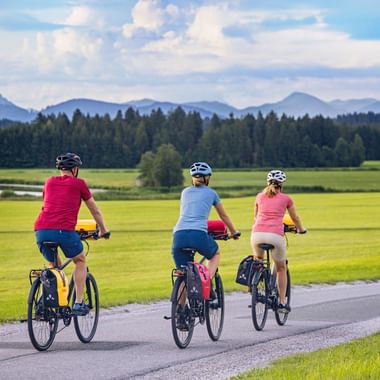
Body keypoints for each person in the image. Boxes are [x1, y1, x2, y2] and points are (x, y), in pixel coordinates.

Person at [34, 152, 108, 315]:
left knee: (55, 267)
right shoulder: (79, 184)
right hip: (64, 231)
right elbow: (94, 210)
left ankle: (43, 304)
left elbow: (50, 206)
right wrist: (103, 230)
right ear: (74, 169)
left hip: (41, 230)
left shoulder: (48, 182)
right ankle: (78, 303)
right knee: (80, 260)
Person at [172, 162, 240, 279]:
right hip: (198, 234)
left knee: (182, 276)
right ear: (207, 178)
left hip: (178, 236)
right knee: (215, 254)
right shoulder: (212, 193)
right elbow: (223, 216)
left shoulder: (185, 192)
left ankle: (178, 296)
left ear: (193, 177)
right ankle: (206, 283)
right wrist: (234, 232)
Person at [251, 170, 306, 313]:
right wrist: (300, 229)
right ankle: (282, 303)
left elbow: (256, 218)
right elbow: (295, 218)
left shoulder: (259, 196)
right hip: (275, 236)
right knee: (281, 268)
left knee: (258, 262)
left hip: (256, 235)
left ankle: (255, 290)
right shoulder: (286, 199)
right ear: (281, 184)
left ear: (267, 183)